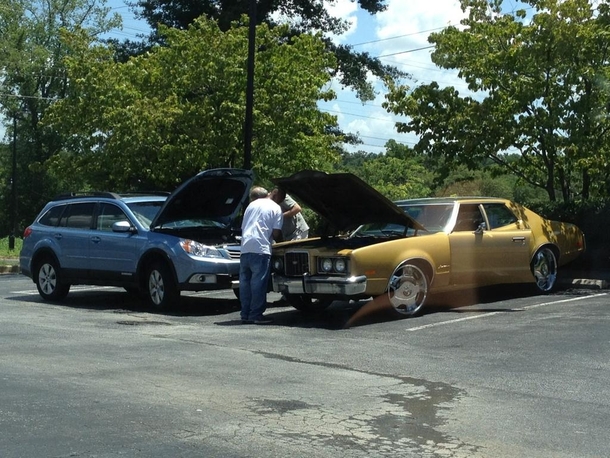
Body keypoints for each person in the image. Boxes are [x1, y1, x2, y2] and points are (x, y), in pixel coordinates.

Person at [239, 186, 283, 324]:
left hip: (245, 248)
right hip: (261, 248)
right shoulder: (275, 208)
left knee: (245, 283)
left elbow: (243, 227)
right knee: (258, 283)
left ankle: (245, 314)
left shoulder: (250, 206)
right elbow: (276, 233)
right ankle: (256, 315)